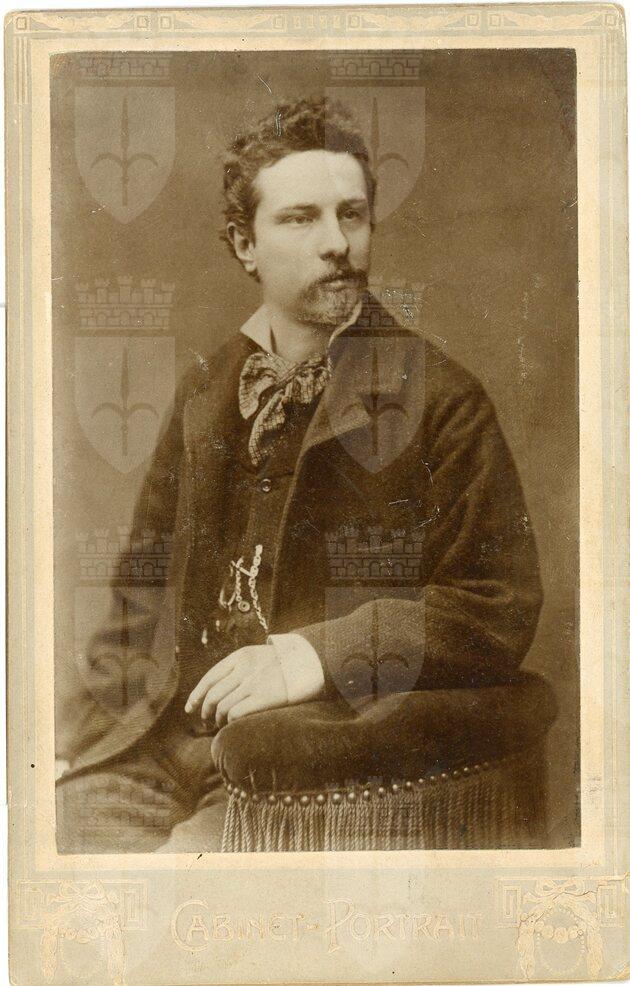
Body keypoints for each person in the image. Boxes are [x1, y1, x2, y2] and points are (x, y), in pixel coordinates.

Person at [56, 96, 542, 853]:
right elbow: (139, 586)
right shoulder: (206, 391)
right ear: (244, 243)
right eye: (300, 219)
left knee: (178, 902)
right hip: (158, 746)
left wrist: (313, 655)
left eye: (352, 215)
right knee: (62, 854)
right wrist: (83, 735)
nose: (337, 244)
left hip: (302, 757)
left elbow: (495, 606)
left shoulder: (443, 399)